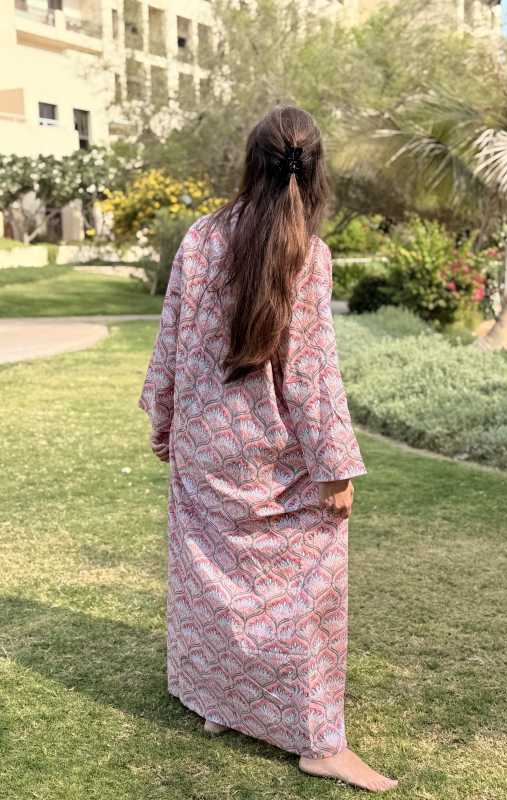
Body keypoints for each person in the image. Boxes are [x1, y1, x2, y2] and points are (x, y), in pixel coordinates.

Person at [138, 105, 398, 792]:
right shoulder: (308, 253)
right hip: (267, 453)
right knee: (312, 581)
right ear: (313, 173)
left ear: (249, 164)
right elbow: (311, 372)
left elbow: (172, 336)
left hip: (203, 445)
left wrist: (165, 420)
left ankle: (222, 702)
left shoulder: (199, 238)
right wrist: (335, 468)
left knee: (210, 577)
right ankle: (319, 742)